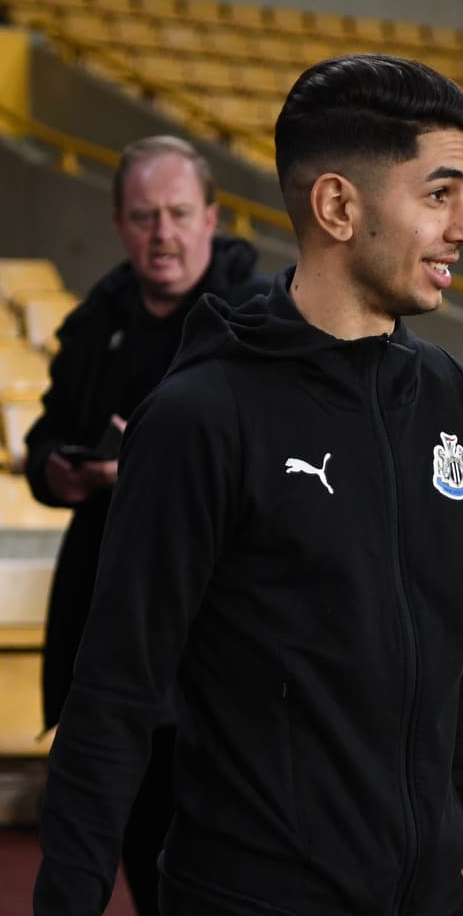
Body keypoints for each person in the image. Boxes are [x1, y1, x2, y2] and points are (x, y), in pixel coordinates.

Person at [34, 54, 463, 916]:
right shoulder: (201, 416)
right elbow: (116, 691)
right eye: (440, 193)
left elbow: (460, 648)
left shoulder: (452, 399)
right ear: (335, 205)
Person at [25, 134, 270, 916]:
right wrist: (56, 470)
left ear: (211, 216)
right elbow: (45, 436)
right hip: (109, 624)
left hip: (219, 644)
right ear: (118, 223)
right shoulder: (97, 318)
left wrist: (151, 475)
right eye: (142, 216)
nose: (161, 233)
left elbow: (282, 469)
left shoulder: (262, 320)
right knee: (125, 851)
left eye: (175, 213)